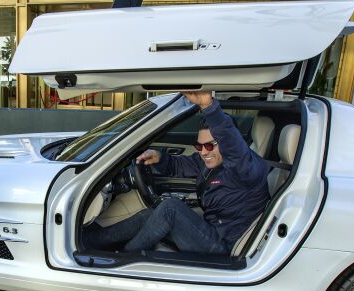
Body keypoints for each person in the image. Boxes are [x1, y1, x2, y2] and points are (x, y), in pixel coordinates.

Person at [84, 91, 270, 254]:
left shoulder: (245, 168)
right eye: (198, 145)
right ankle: (90, 240)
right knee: (149, 214)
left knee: (170, 208)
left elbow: (233, 147)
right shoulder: (210, 163)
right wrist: (160, 158)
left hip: (224, 245)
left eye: (208, 145)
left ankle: (122, 256)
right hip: (213, 230)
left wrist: (209, 107)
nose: (203, 151)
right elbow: (180, 166)